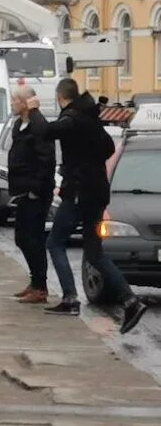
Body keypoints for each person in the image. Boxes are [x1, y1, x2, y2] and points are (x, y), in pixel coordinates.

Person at [29, 79, 149, 333]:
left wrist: (34, 110)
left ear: (61, 97)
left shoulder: (74, 119)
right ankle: (131, 301)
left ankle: (70, 298)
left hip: (79, 193)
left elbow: (46, 132)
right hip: (96, 192)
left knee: (55, 242)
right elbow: (108, 148)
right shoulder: (91, 118)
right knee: (94, 253)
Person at [6, 86, 54, 305]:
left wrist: (36, 189)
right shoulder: (19, 125)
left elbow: (46, 159)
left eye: (16, 99)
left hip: (35, 192)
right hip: (21, 190)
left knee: (32, 238)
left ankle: (41, 287)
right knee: (22, 238)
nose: (12, 103)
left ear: (26, 103)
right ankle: (35, 282)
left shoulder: (38, 124)